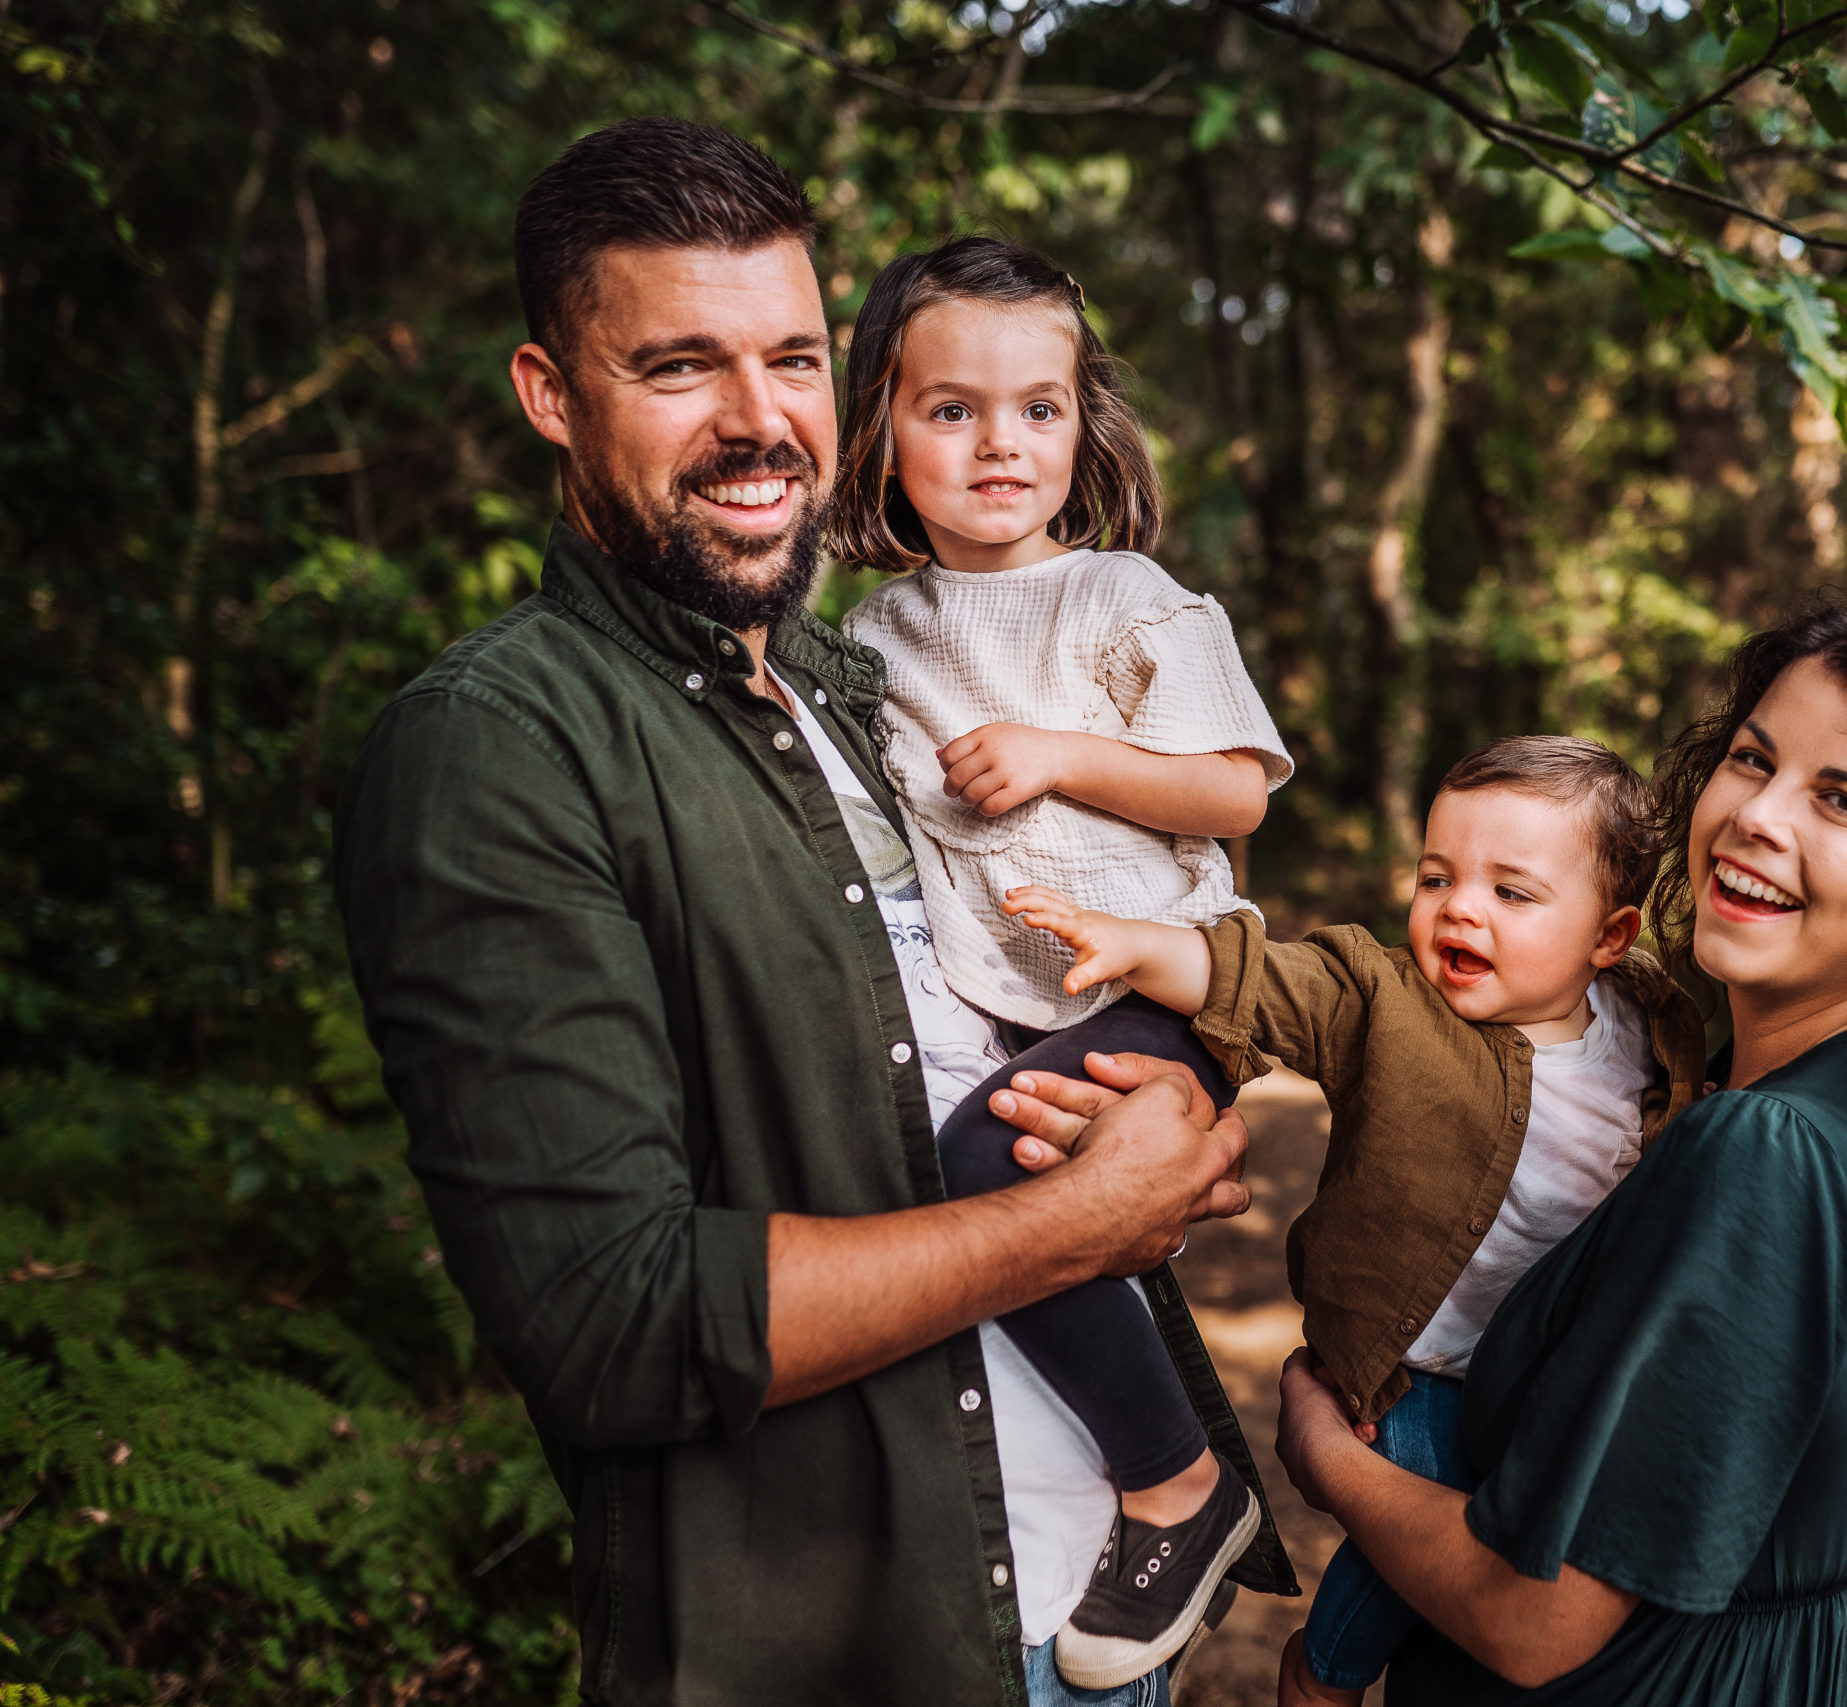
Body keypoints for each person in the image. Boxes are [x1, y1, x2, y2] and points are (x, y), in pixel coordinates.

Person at [331, 117, 1291, 1707]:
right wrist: (1072, 1219)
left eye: (789, 357)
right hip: (863, 1638)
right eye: (680, 367)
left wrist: (1179, 1084)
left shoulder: (869, 684)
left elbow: (1170, 921)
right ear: (551, 395)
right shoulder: (501, 744)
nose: (759, 420)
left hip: (1096, 1604)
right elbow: (612, 1318)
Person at [1254, 601, 1847, 1703]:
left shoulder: (1764, 1150)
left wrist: (1327, 1453)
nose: (1756, 816)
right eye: (1752, 760)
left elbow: (1533, 1619)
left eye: (1841, 801)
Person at [999, 735, 1714, 1704]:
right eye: (1436, 876)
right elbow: (1266, 982)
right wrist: (1133, 943)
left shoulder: (1652, 1029)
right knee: (1405, 1535)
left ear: (1610, 938)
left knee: (1523, 1552)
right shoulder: (1388, 1001)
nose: (1459, 907)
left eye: (1512, 892)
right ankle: (1322, 1673)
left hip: (1556, 1376)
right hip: (1416, 1368)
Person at [828, 235, 1295, 1688]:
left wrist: (1060, 758)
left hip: (1155, 977)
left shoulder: (1124, 599)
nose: (998, 443)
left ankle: (1179, 1484)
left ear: (1083, 425)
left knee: (990, 1165)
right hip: (1010, 999)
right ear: (881, 432)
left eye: (1038, 407)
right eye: (950, 408)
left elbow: (1236, 790)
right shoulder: (872, 636)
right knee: (1000, 1163)